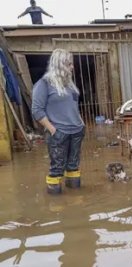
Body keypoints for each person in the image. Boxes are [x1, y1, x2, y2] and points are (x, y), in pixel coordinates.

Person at [32, 49, 85, 194]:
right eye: (69, 64)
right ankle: (56, 209)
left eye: (72, 64)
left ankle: (76, 203)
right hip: (58, 133)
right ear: (59, 64)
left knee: (73, 166)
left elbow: (73, 107)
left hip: (76, 131)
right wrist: (52, 129)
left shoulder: (69, 85)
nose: (72, 67)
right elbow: (37, 110)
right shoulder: (44, 84)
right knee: (56, 169)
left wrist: (81, 124)